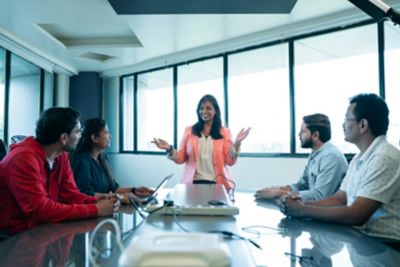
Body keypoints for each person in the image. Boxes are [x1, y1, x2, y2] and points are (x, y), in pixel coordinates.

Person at [282, 93, 400, 242]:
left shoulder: (384, 157)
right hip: (362, 240)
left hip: (386, 246)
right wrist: (300, 203)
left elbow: (357, 215)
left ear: (362, 125)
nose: (342, 124)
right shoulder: (359, 158)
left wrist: (302, 209)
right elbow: (339, 199)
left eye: (346, 119)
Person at [0, 107, 119, 234]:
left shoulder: (60, 155)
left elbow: (71, 195)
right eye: (78, 132)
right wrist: (95, 209)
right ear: (63, 138)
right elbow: (41, 211)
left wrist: (97, 200)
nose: (80, 136)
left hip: (41, 229)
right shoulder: (23, 159)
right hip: (13, 236)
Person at [152, 94, 250, 191]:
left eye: (208, 108)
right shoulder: (189, 131)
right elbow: (181, 158)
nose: (204, 111)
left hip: (218, 184)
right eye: (201, 108)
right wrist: (169, 148)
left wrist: (237, 143)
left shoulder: (225, 132)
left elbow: (230, 161)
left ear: (215, 111)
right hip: (193, 184)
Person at [255, 113, 348, 201]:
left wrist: (278, 193)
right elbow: (302, 185)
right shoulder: (315, 154)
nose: (299, 135)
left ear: (315, 135)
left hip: (326, 213)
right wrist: (278, 189)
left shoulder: (331, 156)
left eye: (303, 131)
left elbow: (320, 196)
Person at [71, 118, 154, 203]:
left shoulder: (102, 157)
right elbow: (85, 195)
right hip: (93, 210)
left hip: (107, 208)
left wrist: (135, 190)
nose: (110, 136)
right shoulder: (82, 161)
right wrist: (119, 198)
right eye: (106, 132)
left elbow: (113, 188)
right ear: (95, 138)